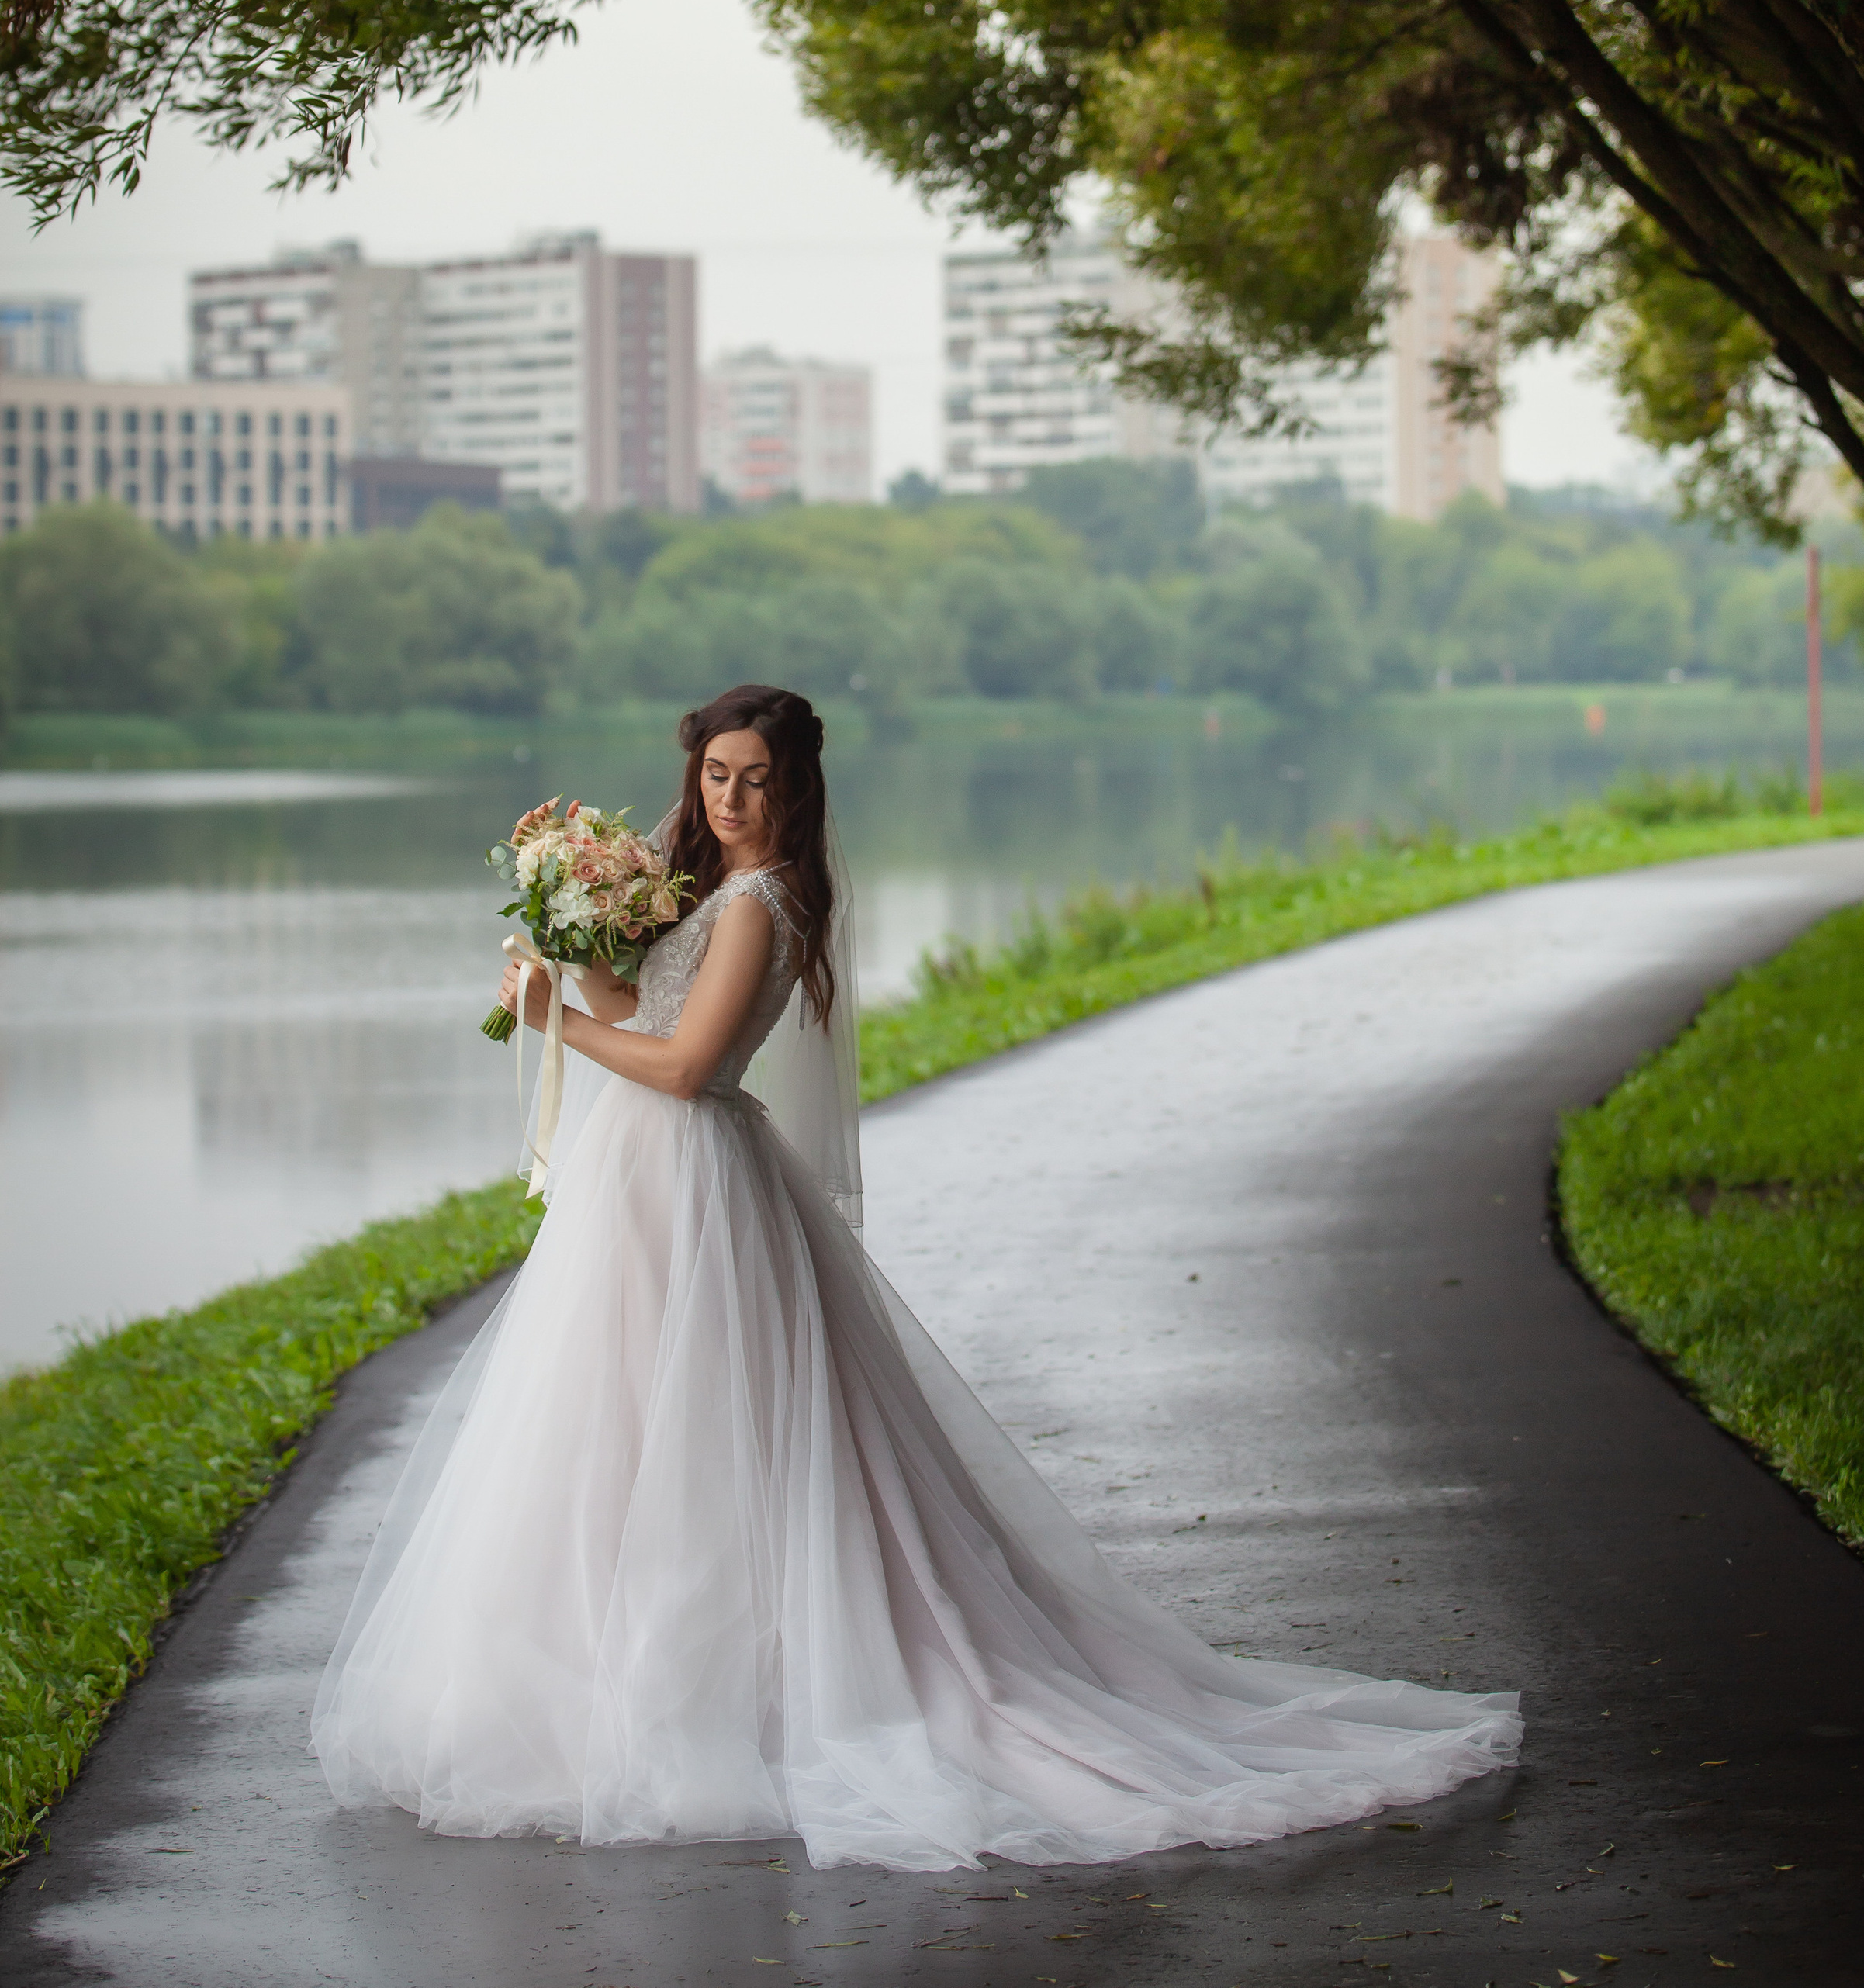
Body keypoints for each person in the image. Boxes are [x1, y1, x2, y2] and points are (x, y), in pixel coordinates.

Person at [312, 683, 1518, 1867]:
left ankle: (728, 1691)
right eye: (715, 774)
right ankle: (602, 1679)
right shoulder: (710, 889)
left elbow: (687, 1069)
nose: (729, 797)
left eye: (756, 780)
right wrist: (577, 952)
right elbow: (646, 1010)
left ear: (796, 789)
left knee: (707, 1435)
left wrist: (553, 1026)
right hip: (631, 1185)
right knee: (614, 1424)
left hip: (692, 1179)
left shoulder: (762, 907)